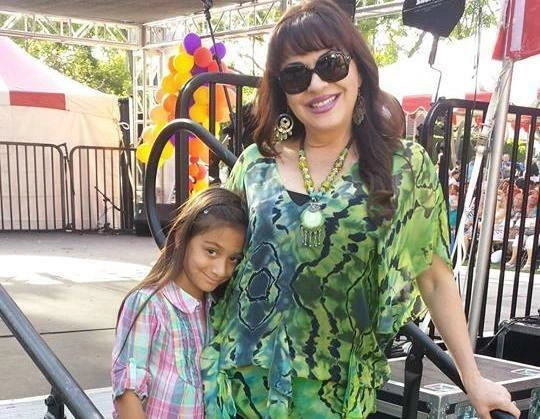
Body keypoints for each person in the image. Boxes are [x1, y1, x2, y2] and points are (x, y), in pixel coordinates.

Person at [201, 1, 520, 418]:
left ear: (358, 69)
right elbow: (214, 259)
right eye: (296, 75)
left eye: (330, 64)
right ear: (282, 90)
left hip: (336, 399)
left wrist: (472, 377)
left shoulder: (405, 168)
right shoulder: (254, 165)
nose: (316, 85)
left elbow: (434, 277)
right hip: (237, 390)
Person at [111, 187, 247, 419]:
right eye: (211, 251)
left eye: (233, 258)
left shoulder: (215, 307)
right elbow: (128, 391)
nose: (221, 269)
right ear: (180, 236)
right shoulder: (149, 304)